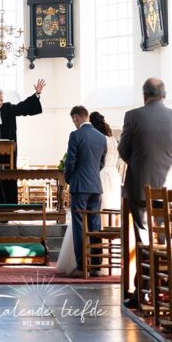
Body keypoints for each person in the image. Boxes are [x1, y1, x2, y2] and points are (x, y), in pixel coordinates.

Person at [118, 78, 172, 306]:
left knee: (145, 240)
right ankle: (166, 292)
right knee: (167, 241)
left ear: (144, 95)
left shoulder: (133, 116)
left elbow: (123, 150)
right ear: (164, 95)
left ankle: (144, 293)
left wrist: (138, 161)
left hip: (141, 187)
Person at [60, 106, 107, 278]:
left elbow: (70, 161)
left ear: (77, 117)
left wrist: (68, 178)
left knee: (79, 225)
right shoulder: (102, 138)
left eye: (74, 119)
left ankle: (82, 266)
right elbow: (101, 163)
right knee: (95, 226)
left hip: (80, 186)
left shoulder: (76, 135)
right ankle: (96, 266)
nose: (74, 123)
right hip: (96, 186)